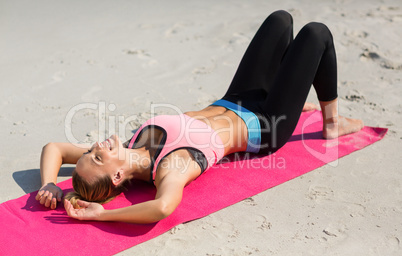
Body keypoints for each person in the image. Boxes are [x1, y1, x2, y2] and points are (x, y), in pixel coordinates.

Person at [36, 10, 363, 223]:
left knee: (280, 21)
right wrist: (100, 215)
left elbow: (55, 148)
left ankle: (293, 94)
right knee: (316, 34)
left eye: (91, 151)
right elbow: (162, 207)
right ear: (118, 176)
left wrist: (50, 184)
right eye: (96, 156)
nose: (95, 145)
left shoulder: (126, 147)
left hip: (235, 98)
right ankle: (332, 123)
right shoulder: (170, 166)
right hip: (265, 123)